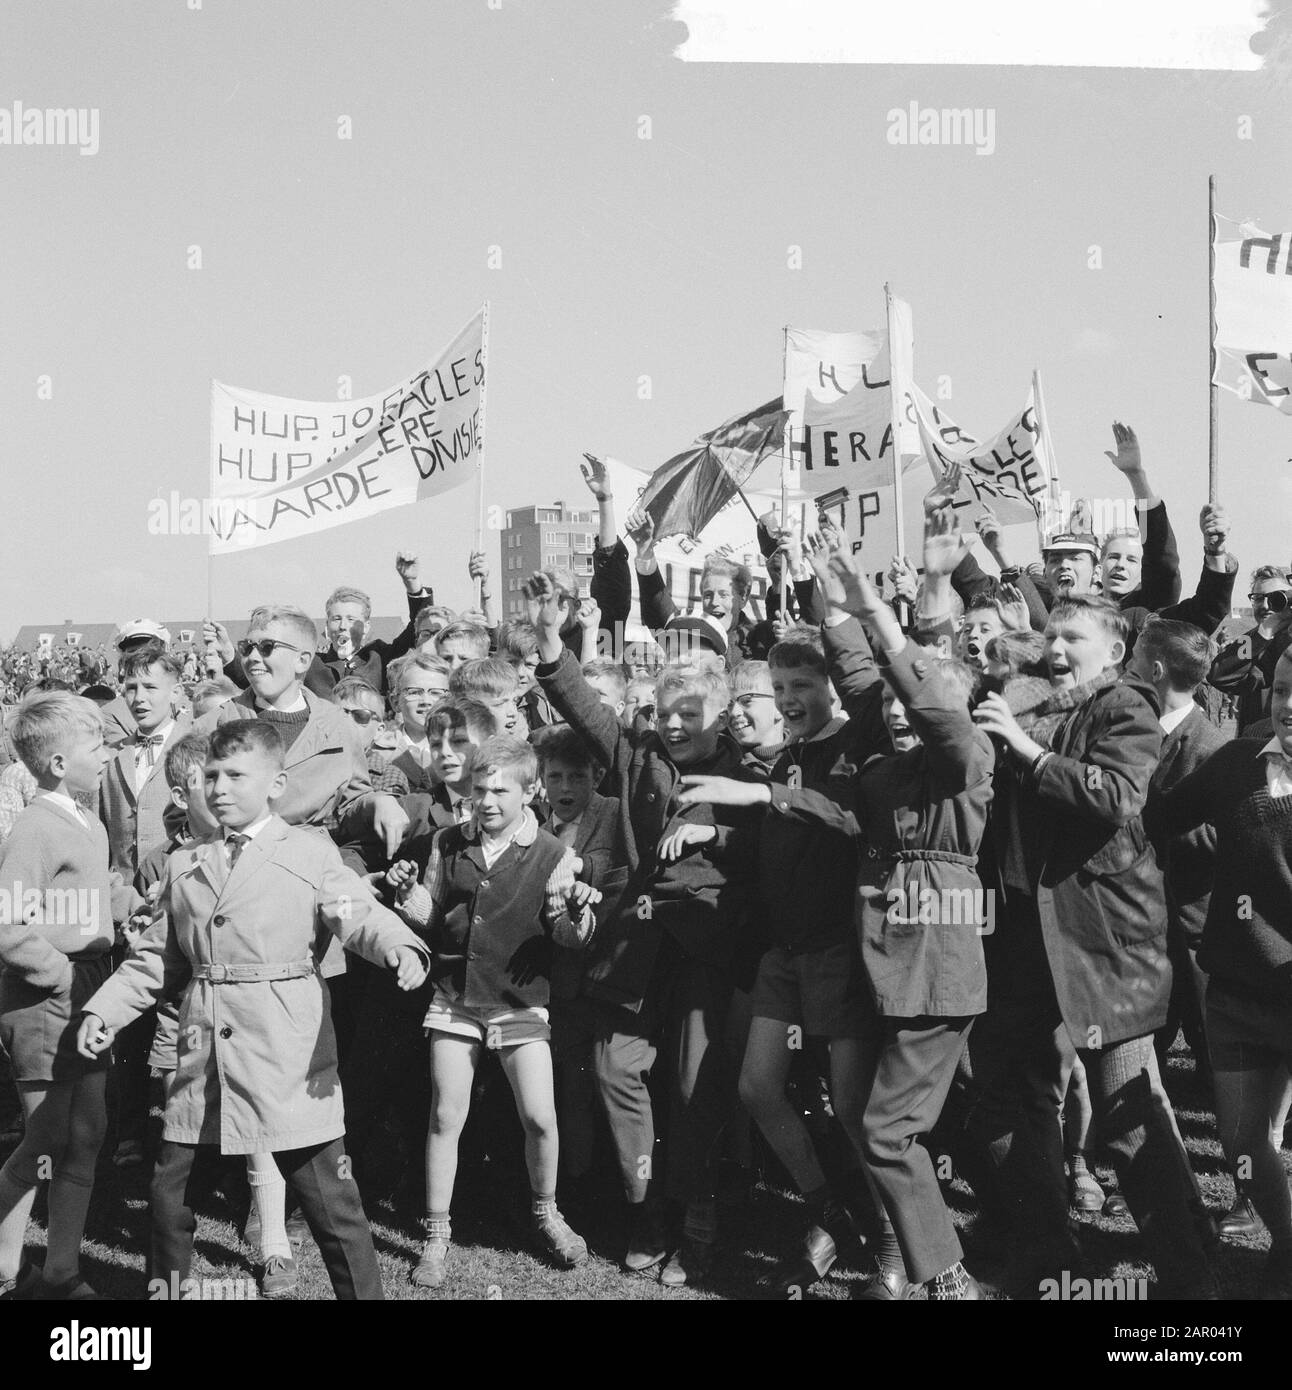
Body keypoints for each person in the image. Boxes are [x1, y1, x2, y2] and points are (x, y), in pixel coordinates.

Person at [77, 720, 431, 1300]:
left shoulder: (308, 853)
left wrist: (397, 944)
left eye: (236, 775)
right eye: (212, 775)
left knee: (331, 1204)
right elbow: (156, 959)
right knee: (170, 1198)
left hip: (283, 1053)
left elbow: (355, 911)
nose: (219, 788)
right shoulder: (186, 865)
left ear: (276, 783)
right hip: (203, 1057)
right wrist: (103, 1012)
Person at [971, 594, 1216, 1298]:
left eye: (1072, 636)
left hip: (1104, 947)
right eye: (1050, 633)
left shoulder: (1125, 707)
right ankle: (1046, 1256)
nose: (1055, 645)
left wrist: (1027, 752)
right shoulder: (1034, 707)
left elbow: (1113, 797)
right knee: (1008, 1103)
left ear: (1114, 653)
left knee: (1127, 1124)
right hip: (1022, 943)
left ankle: (1191, 1286)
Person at [527, 569, 762, 1285]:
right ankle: (646, 1208)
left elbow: (765, 854)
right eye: (668, 712)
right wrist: (549, 648)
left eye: (692, 713)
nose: (677, 724)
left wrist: (711, 840)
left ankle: (695, 1220)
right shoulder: (637, 756)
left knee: (693, 1088)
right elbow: (588, 710)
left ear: (721, 716)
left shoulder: (750, 772)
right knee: (613, 1067)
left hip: (708, 955)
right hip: (633, 951)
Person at [384, 735, 597, 1288]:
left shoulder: (554, 853)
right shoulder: (448, 843)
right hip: (456, 999)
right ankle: (435, 1236)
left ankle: (547, 1212)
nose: (488, 801)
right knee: (444, 1116)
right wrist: (407, 895)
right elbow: (432, 916)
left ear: (530, 792)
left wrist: (576, 912)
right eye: (480, 790)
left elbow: (569, 937)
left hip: (521, 1003)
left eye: (502, 790)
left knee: (540, 1119)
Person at [1146, 647, 1292, 1297]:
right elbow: (1156, 819)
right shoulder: (1236, 763)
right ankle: (1287, 1245)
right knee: (1240, 1141)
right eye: (1284, 691)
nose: (1288, 707)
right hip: (1235, 990)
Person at [0, 692, 141, 1299]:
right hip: (44, 996)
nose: (108, 755)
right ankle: (7, 1268)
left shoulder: (90, 821)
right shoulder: (34, 827)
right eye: (97, 746)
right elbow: (9, 924)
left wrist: (130, 913)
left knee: (87, 1134)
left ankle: (60, 1271)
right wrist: (58, 975)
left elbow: (93, 898)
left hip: (91, 986)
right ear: (58, 763)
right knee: (46, 1140)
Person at [533, 726, 622, 1211]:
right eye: (555, 776)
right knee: (570, 1084)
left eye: (578, 776)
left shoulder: (613, 814)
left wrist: (580, 869)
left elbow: (616, 873)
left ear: (598, 775)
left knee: (609, 1082)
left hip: (609, 973)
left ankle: (613, 1187)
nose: (566, 788)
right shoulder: (532, 826)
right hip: (559, 982)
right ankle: (576, 1185)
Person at [98, 644, 191, 883]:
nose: (139, 698)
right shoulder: (110, 756)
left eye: (150, 687)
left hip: (180, 884)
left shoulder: (198, 749)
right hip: (123, 892)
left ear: (175, 692)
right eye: (131, 688)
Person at [1209, 565, 1292, 734]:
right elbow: (1219, 674)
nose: (1266, 605)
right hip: (1255, 749)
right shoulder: (1255, 638)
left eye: (1277, 597)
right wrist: (1264, 633)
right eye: (1258, 598)